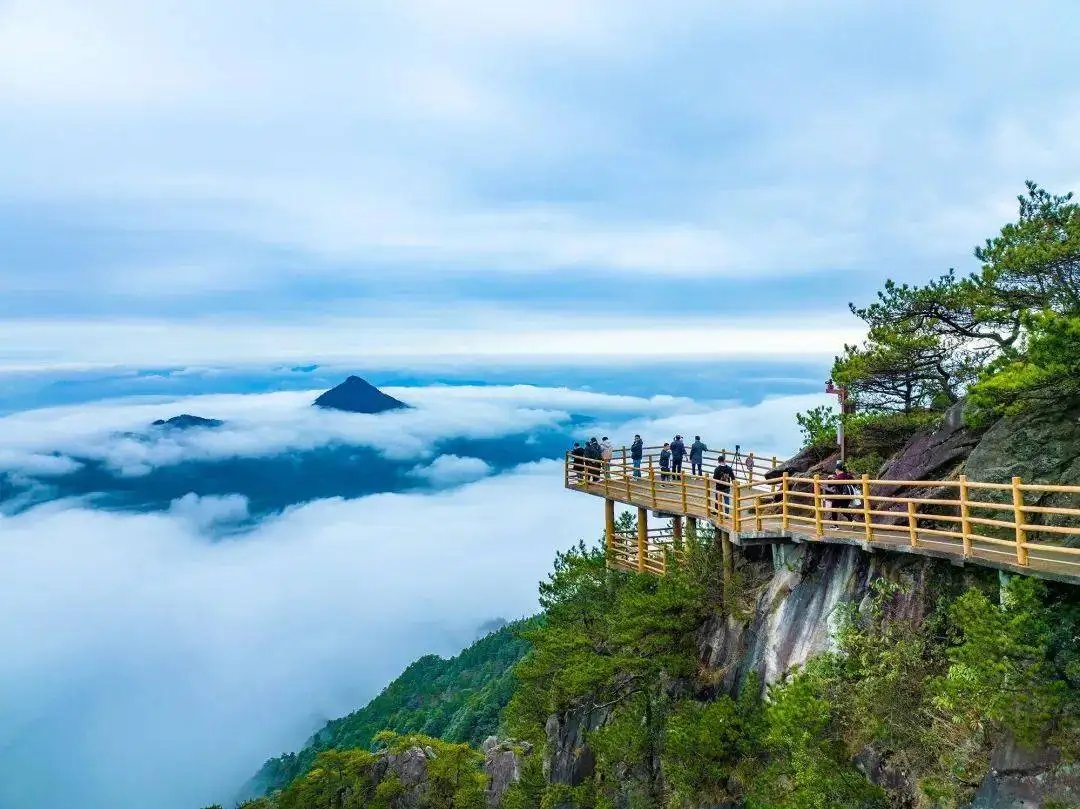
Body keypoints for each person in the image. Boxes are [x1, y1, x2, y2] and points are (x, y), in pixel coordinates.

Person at [827, 460, 857, 526]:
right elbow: (855, 484)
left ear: (837, 470)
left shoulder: (839, 477)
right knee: (844, 509)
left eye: (836, 470)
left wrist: (830, 478)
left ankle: (835, 525)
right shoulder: (849, 476)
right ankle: (852, 521)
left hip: (841, 496)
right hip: (849, 495)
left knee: (834, 507)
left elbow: (829, 485)